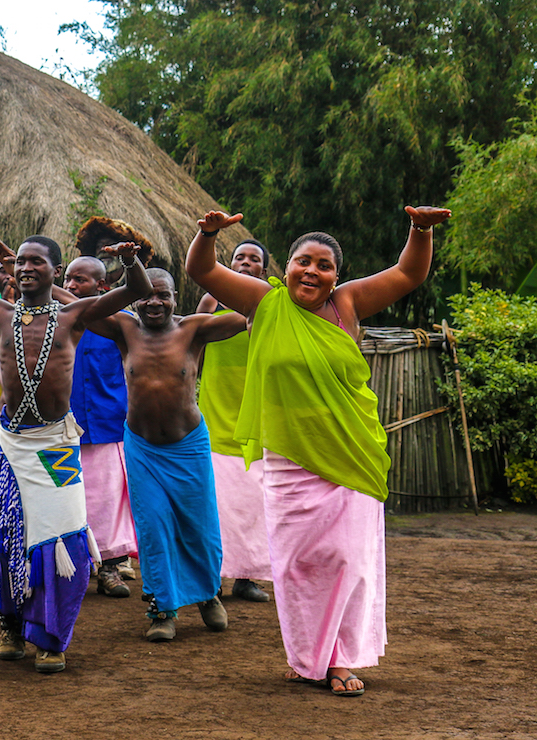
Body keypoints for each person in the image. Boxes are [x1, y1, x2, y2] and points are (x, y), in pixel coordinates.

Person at [185, 205, 451, 696]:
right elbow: (200, 270)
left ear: (336, 276)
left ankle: (342, 660)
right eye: (303, 261)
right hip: (288, 462)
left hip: (351, 453)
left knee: (348, 558)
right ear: (284, 269)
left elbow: (409, 272)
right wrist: (206, 234)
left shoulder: (346, 305)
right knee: (295, 564)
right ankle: (308, 656)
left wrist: (420, 229)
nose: (312, 270)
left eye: (323, 265)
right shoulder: (264, 302)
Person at [0, 213, 150, 673]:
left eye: (36, 262)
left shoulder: (74, 315)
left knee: (63, 539)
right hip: (10, 445)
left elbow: (136, 292)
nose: (24, 268)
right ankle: (10, 625)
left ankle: (51, 637)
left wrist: (131, 264)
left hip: (57, 446)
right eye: (19, 262)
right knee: (5, 536)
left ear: (55, 270)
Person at [85, 267, 247, 642]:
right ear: (134, 297)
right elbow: (84, 311)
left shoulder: (194, 329)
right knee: (154, 529)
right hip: (142, 447)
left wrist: (242, 283)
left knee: (199, 527)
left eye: (163, 295)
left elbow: (249, 315)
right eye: (146, 296)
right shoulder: (125, 329)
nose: (154, 303)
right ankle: (163, 609)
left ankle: (208, 595)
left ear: (176, 297)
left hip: (188, 446)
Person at [195, 240, 274, 603]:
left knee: (253, 504)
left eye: (253, 259)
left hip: (256, 414)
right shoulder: (212, 299)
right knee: (216, 502)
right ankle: (211, 578)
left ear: (265, 270)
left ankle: (247, 576)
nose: (245, 263)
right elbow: (193, 347)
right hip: (215, 410)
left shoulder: (273, 304)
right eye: (239, 257)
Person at [63, 255, 140, 599]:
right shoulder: (60, 320)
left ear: (102, 287)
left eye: (80, 280)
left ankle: (109, 568)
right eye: (67, 279)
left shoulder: (122, 323)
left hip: (109, 424)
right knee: (70, 497)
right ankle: (74, 566)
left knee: (109, 500)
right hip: (66, 425)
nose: (71, 286)